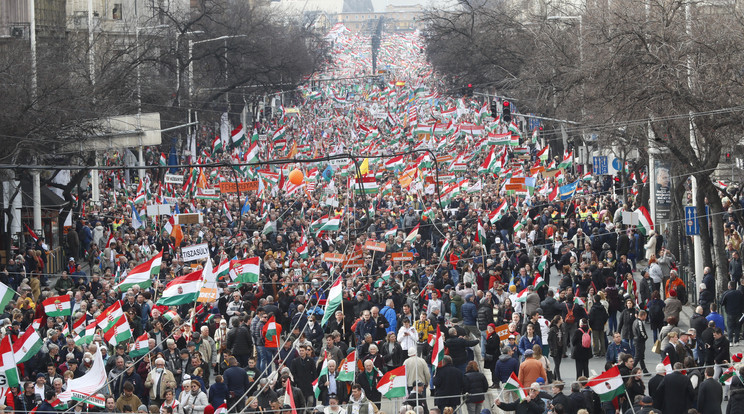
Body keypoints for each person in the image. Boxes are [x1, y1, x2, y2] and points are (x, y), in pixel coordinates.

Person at [548, 316, 564, 381]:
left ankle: (554, 377)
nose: (562, 319)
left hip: (560, 348)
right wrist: (551, 348)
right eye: (561, 318)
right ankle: (559, 378)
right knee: (557, 364)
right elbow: (549, 339)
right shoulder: (553, 329)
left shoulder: (561, 328)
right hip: (555, 348)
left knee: (558, 363)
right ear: (558, 320)